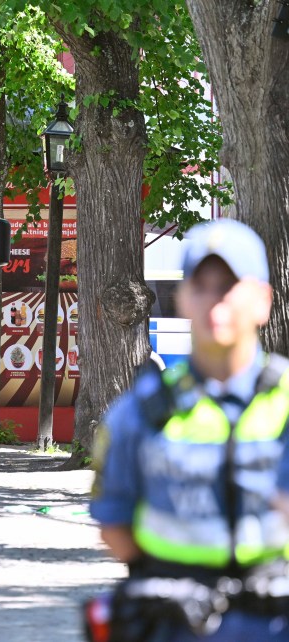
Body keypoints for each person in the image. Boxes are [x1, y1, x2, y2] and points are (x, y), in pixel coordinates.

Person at [90, 218, 289, 641]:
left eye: (230, 287)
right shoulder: (143, 410)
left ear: (263, 301)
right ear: (180, 299)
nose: (215, 302)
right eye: (201, 287)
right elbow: (115, 527)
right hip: (174, 624)